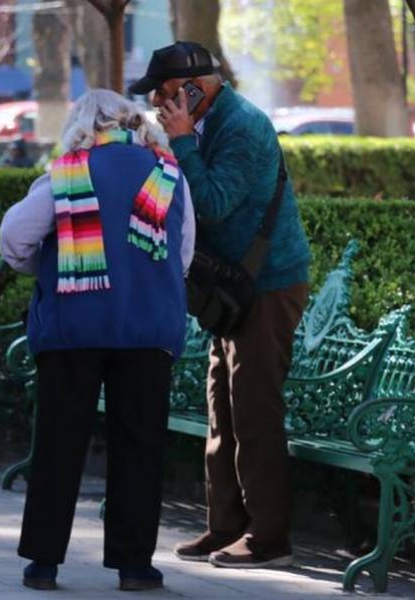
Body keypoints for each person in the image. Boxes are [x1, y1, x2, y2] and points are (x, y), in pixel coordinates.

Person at [0, 89, 195, 592]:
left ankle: (43, 562)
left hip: (73, 327)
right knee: (140, 445)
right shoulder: (169, 174)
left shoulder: (66, 173)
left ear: (84, 124)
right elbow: (183, 251)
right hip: (147, 329)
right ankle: (134, 567)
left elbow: (15, 238)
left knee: (59, 444)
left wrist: (49, 266)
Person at [130, 41, 311, 569]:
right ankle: (226, 525)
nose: (160, 104)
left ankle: (269, 537)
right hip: (231, 287)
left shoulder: (242, 127)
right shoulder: (205, 123)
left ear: (195, 88)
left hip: (269, 284)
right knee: (222, 407)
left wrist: (180, 140)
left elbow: (211, 202)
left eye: (165, 94)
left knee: (254, 409)